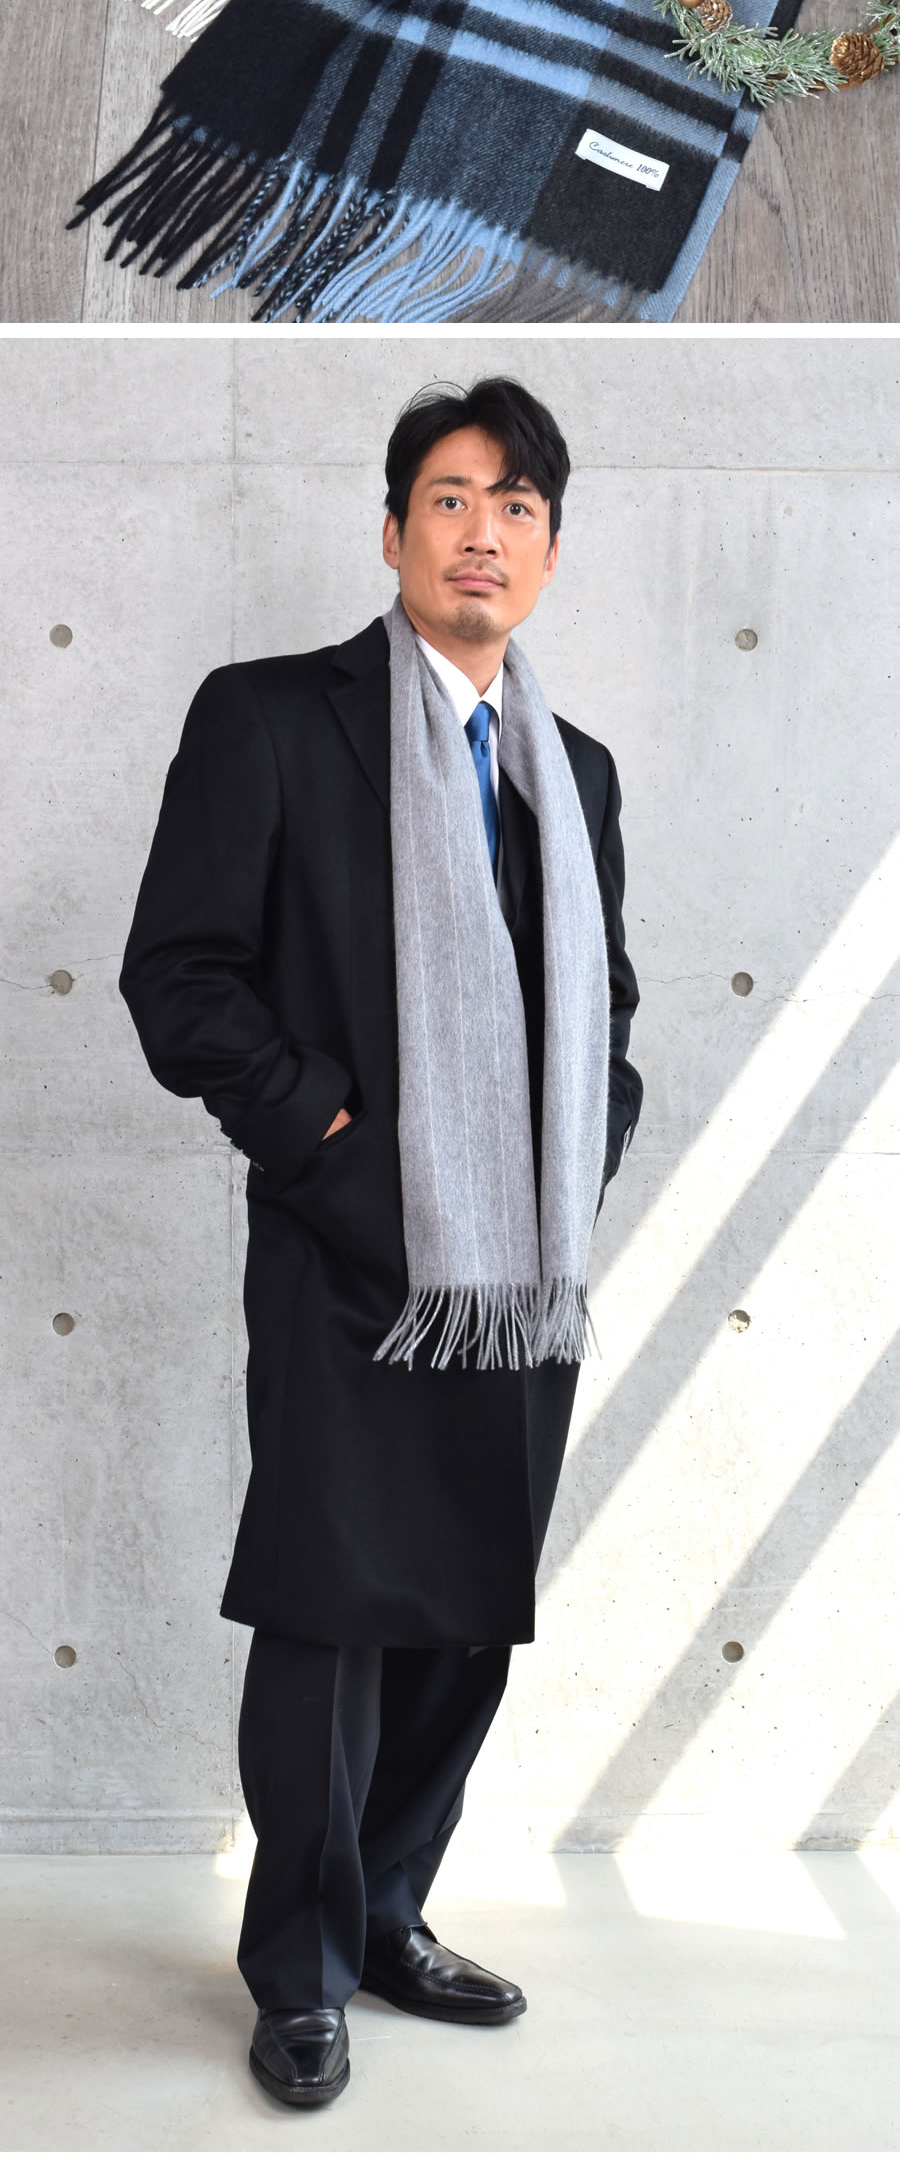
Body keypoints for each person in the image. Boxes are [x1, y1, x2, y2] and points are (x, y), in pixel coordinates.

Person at [119, 375, 642, 2110]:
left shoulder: (575, 771)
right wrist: (337, 1147)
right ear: (396, 529)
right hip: (348, 1257)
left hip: (518, 1276)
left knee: (464, 1617)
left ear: (549, 550)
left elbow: (606, 1004)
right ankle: (303, 1968)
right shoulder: (274, 718)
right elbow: (182, 978)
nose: (483, 531)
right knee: (332, 1612)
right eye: (450, 497)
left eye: (517, 505)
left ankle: (394, 1908)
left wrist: (584, 1153)